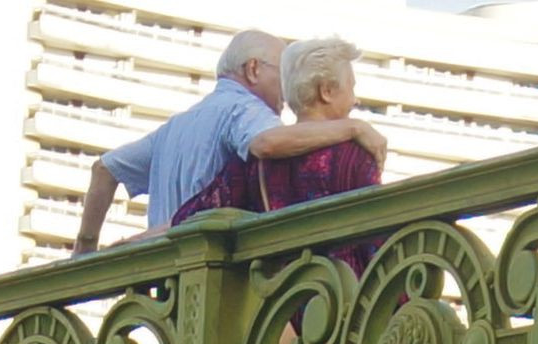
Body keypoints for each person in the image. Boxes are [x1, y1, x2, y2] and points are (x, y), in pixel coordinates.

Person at [73, 28, 385, 253]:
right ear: (254, 69)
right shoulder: (246, 110)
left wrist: (86, 248)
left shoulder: (175, 127)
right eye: (282, 74)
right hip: (219, 286)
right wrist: (354, 128)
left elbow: (104, 170)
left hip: (166, 288)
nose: (286, 87)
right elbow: (266, 144)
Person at [182, 35, 383, 270]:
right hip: (341, 290)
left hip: (275, 290)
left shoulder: (251, 165)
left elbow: (190, 217)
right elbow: (377, 244)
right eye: (352, 88)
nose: (355, 100)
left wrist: (151, 235)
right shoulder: (355, 157)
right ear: (326, 91)